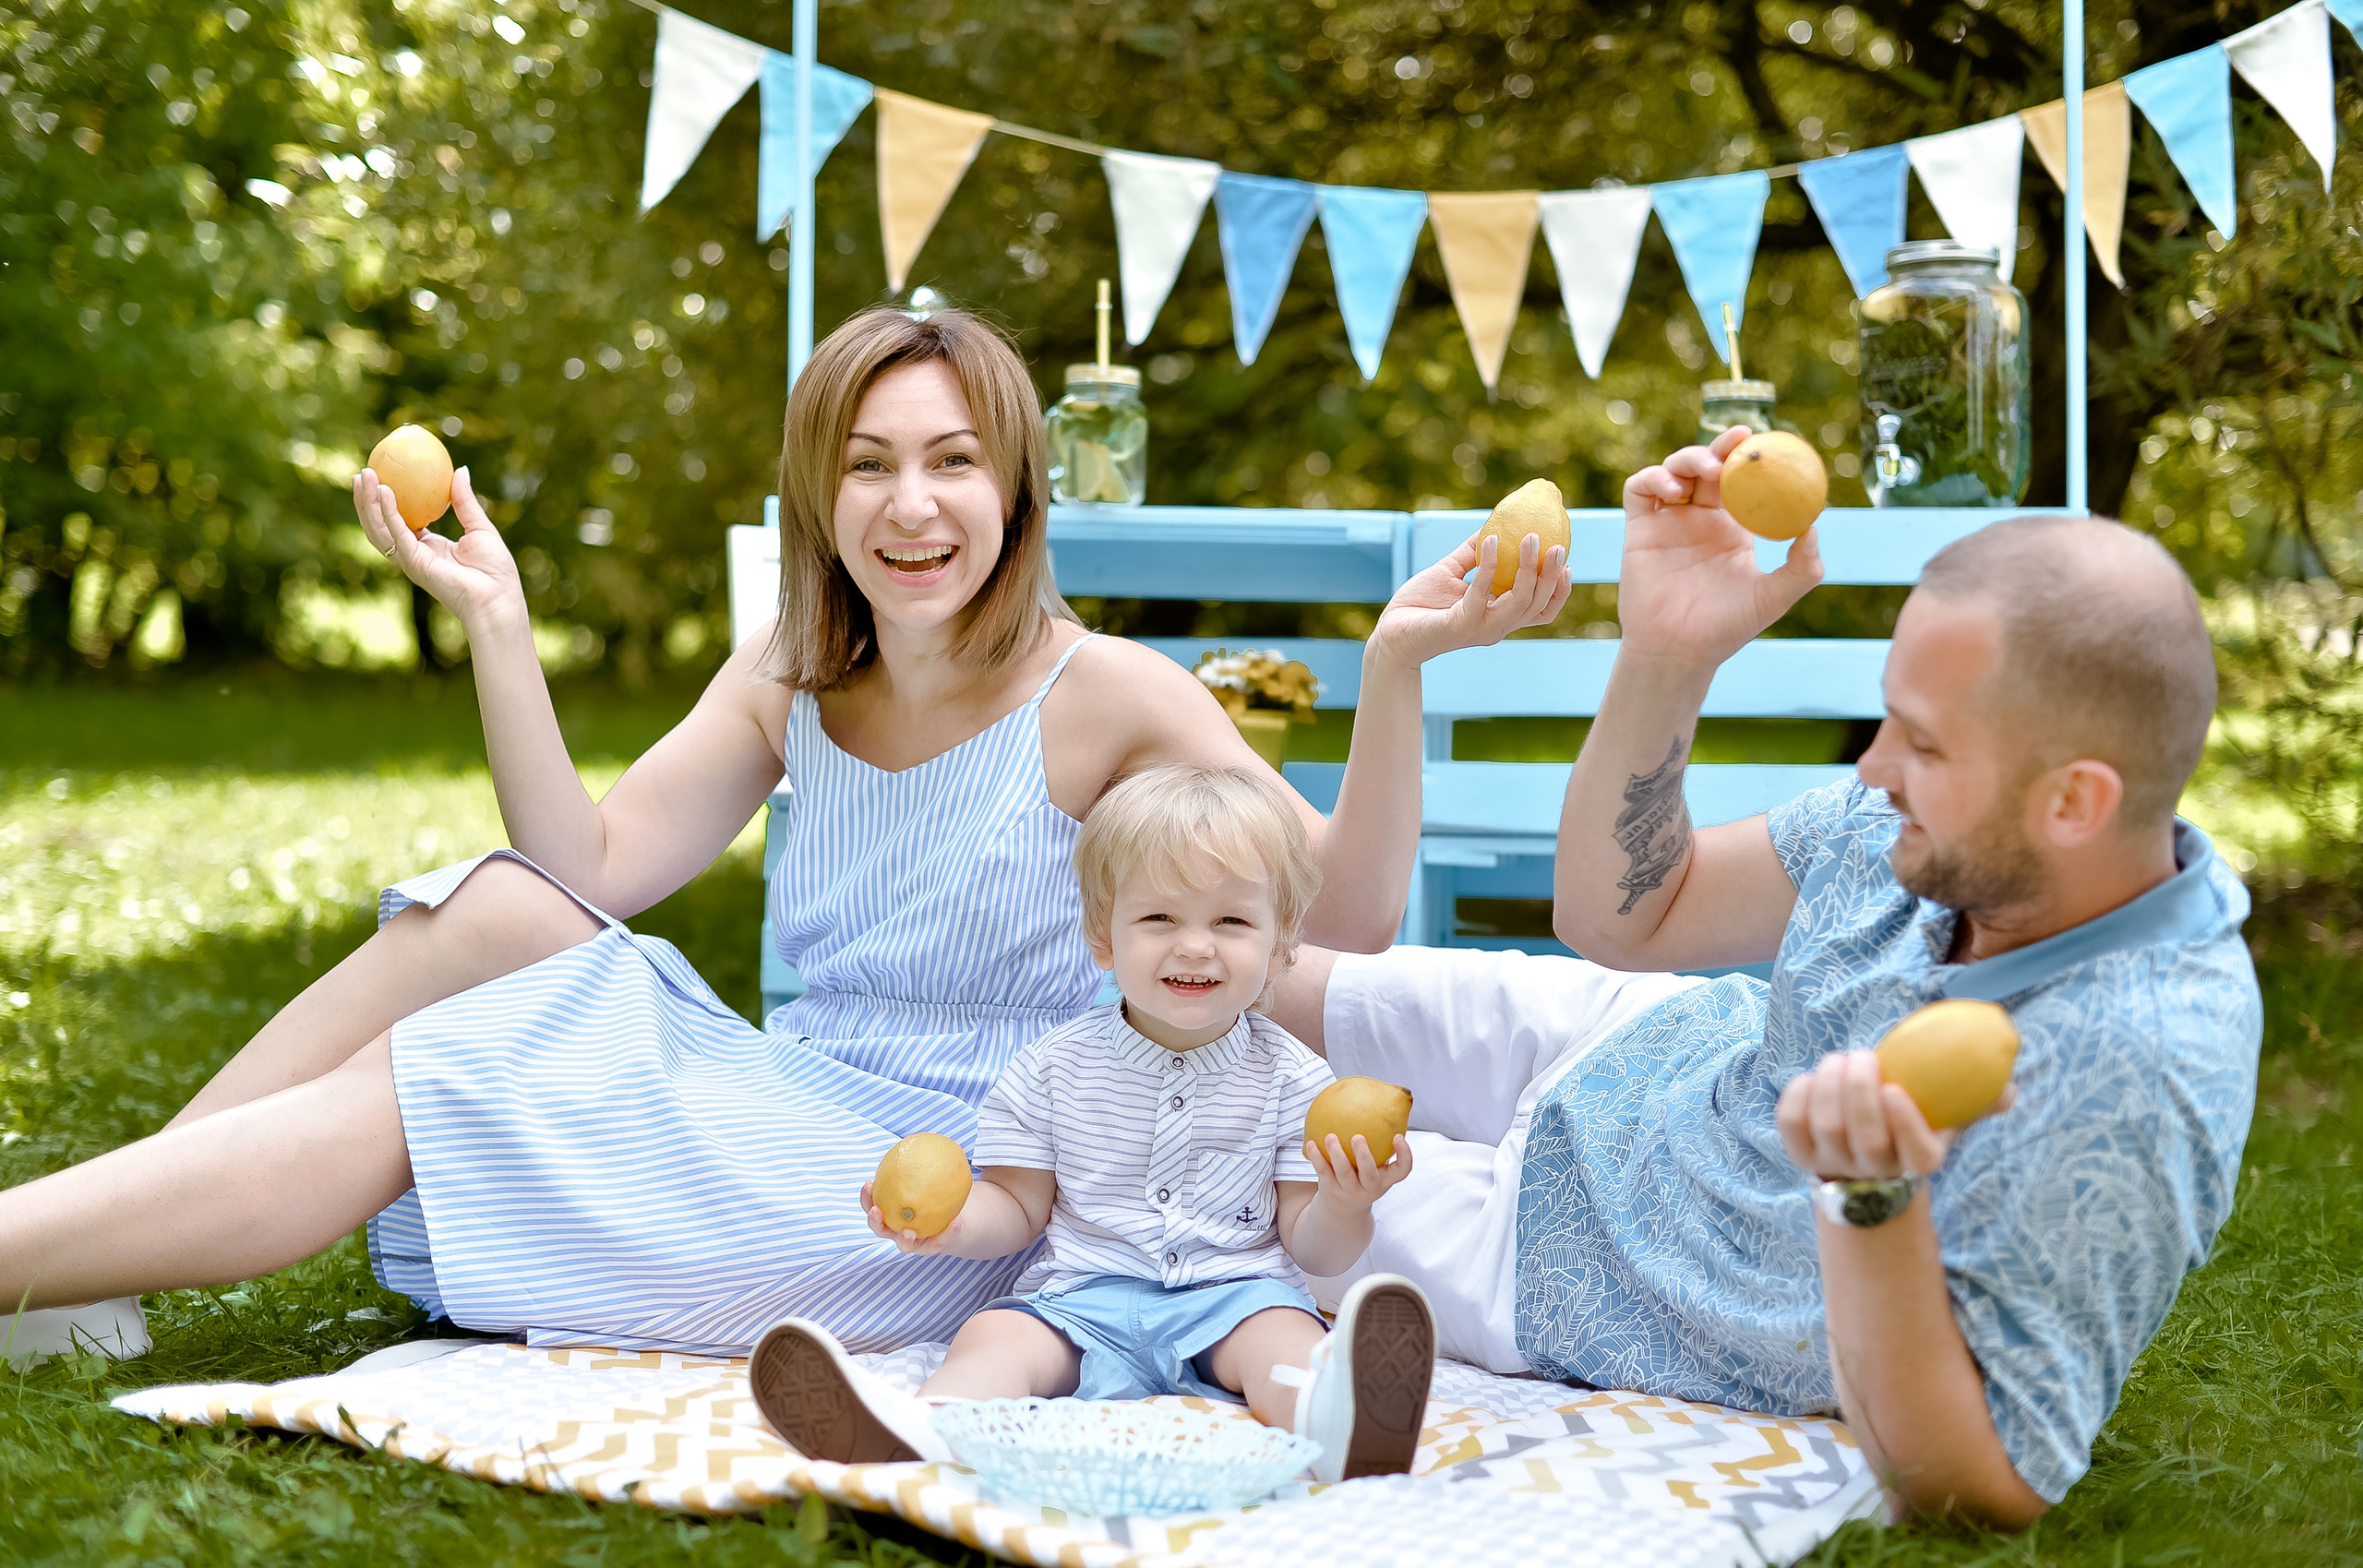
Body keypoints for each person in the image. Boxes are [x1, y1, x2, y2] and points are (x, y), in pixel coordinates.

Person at [0, 306, 1570, 1360]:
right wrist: (498, 621)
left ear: (1018, 485)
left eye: (955, 460)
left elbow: (1345, 917)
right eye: (870, 463)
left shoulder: (1105, 695)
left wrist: (1392, 668)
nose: (913, 506)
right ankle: (108, 1250)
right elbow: (585, 871)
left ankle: (31, 1256)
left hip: (954, 1177)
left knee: (446, 1080)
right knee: (484, 909)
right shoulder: (797, 671)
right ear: (820, 493)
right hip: (794, 1095)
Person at [1262, 426, 2261, 1528]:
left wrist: (1868, 1195)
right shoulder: (1919, 822)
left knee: (1204, 1167)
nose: (1872, 769)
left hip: (1573, 1267)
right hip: (1631, 1048)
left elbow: (1987, 1484)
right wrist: (1667, 656)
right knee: (1235, 980)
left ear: (2074, 801)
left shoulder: (2134, 1069)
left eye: (1921, 746)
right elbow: (1621, 917)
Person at [750, 766, 1432, 1482]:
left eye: (1231, 920)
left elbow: (1317, 1250)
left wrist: (1346, 1202)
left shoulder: (1296, 1080)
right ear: (1103, 938)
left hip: (1236, 1296)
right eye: (1159, 918)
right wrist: (949, 1225)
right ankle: (929, 1423)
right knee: (995, 1335)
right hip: (1080, 1298)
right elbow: (1015, 1203)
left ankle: (1334, 1421)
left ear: (1280, 943)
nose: (1195, 945)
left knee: (1285, 1341)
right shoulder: (1050, 1067)